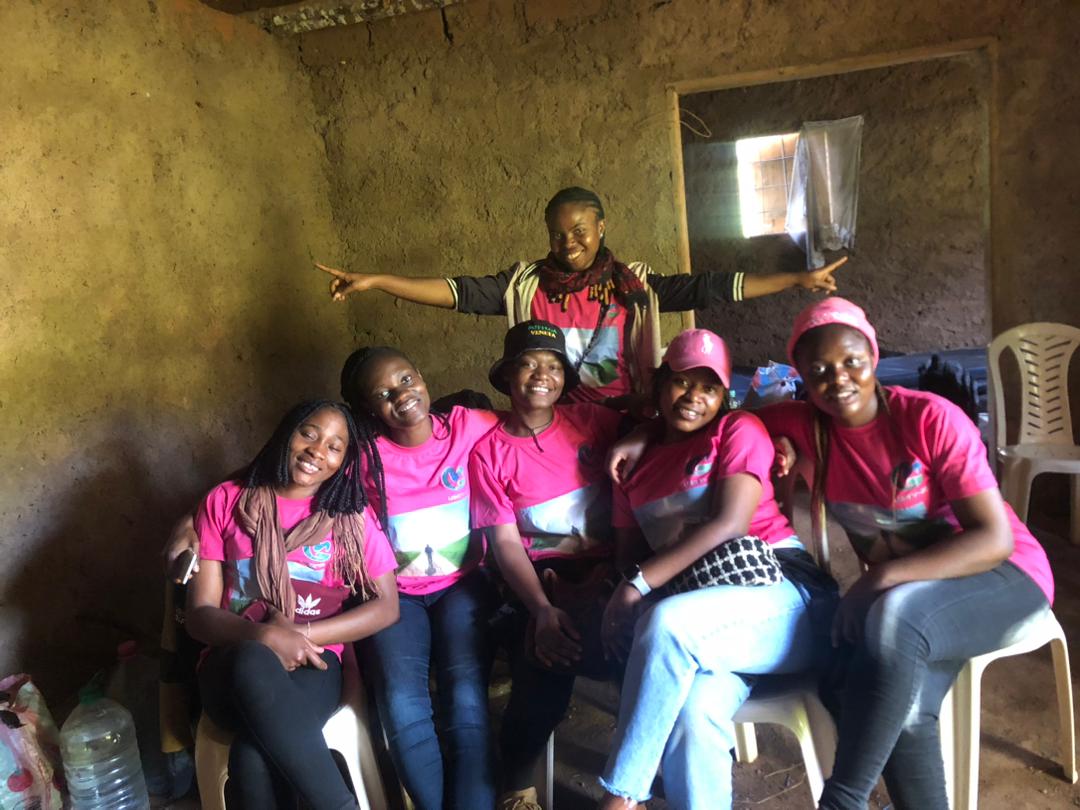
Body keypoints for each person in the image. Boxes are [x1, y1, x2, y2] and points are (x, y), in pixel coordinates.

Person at [758, 297, 1054, 810]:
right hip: (920, 605)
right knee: (900, 704)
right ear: (801, 376)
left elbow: (994, 538)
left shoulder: (929, 419)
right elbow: (723, 422)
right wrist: (773, 446)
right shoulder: (805, 424)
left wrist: (876, 579)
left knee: (891, 616)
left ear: (873, 357)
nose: (838, 378)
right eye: (819, 370)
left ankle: (842, 800)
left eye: (852, 361)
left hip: (1005, 576)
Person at [316, 186, 846, 407]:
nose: (568, 244)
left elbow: (712, 287)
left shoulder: (635, 287)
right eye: (557, 234)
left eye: (579, 231)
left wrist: (794, 280)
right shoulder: (524, 285)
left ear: (601, 227)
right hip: (550, 418)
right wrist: (379, 281)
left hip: (625, 415)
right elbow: (456, 292)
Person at [596, 329, 837, 810]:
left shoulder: (736, 429)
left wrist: (635, 586)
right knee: (691, 713)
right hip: (713, 629)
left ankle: (620, 798)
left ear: (724, 395)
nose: (694, 397)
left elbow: (730, 524)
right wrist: (625, 581)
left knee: (666, 622)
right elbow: (628, 554)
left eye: (709, 387)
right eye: (682, 382)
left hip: (786, 598)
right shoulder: (632, 465)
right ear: (660, 384)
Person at [185, 399, 399, 810]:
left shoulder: (348, 517)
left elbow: (387, 606)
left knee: (252, 755)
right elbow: (199, 615)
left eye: (335, 447)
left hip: (315, 661)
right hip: (230, 666)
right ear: (287, 432)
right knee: (253, 657)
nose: (318, 451)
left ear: (344, 461)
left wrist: (300, 636)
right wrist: (264, 636)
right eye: (309, 434)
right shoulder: (227, 500)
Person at [469, 320, 625, 810]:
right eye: (529, 364)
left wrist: (636, 441)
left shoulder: (594, 422)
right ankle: (517, 786)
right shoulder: (489, 452)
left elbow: (654, 436)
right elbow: (504, 541)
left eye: (554, 366)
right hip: (541, 574)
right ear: (507, 376)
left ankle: (635, 781)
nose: (542, 375)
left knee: (637, 644)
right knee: (546, 653)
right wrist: (539, 608)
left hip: (610, 563)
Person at [339, 345, 500, 810]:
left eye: (406, 379)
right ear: (368, 408)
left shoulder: (467, 426)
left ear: (422, 377)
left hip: (461, 587)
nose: (401, 395)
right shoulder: (361, 455)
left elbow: (533, 422)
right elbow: (285, 462)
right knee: (401, 703)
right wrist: (197, 515)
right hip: (394, 597)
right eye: (383, 393)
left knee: (466, 697)